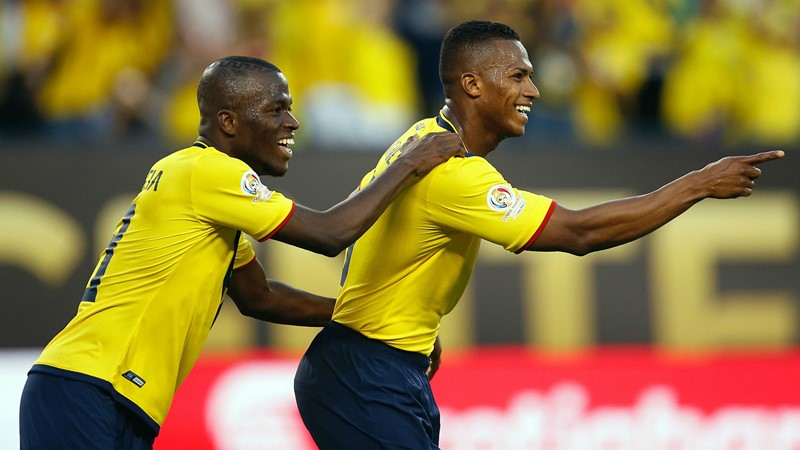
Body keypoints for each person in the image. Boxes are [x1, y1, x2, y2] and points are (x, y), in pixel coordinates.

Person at [293, 20, 785, 449]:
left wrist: (409, 334)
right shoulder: (452, 172)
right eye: (518, 76)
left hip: (382, 365)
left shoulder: (423, 136)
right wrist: (699, 183)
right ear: (472, 84)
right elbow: (580, 232)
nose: (534, 91)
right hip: (365, 375)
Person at [18, 55, 464, 450]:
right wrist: (410, 163)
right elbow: (329, 233)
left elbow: (259, 297)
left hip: (110, 396)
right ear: (229, 122)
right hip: (88, 386)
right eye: (276, 108)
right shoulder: (209, 172)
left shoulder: (204, 195)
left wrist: (373, 319)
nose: (292, 122)